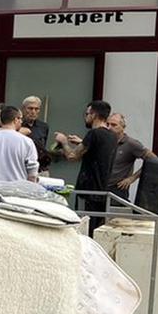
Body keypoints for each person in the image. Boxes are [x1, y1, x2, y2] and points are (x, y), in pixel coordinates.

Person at [55, 100, 117, 233]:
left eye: (87, 113)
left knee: (84, 230)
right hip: (102, 191)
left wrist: (64, 142)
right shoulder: (112, 136)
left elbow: (72, 156)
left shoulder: (93, 134)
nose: (86, 117)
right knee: (95, 229)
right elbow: (97, 151)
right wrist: (82, 142)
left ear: (94, 115)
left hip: (88, 191)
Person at [0, 105, 38, 182]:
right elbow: (32, 173)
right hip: (18, 190)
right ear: (16, 120)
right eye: (20, 118)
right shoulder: (27, 142)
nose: (21, 121)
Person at [106, 112, 156, 201]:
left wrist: (132, 178)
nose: (109, 127)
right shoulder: (105, 142)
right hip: (101, 186)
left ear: (122, 127)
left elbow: (153, 160)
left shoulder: (131, 144)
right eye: (107, 124)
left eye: (114, 125)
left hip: (117, 188)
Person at [20, 95, 51, 172]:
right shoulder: (17, 125)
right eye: (30, 108)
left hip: (40, 167)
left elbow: (43, 145)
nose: (33, 112)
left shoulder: (43, 126)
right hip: (21, 166)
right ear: (23, 109)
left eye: (36, 109)